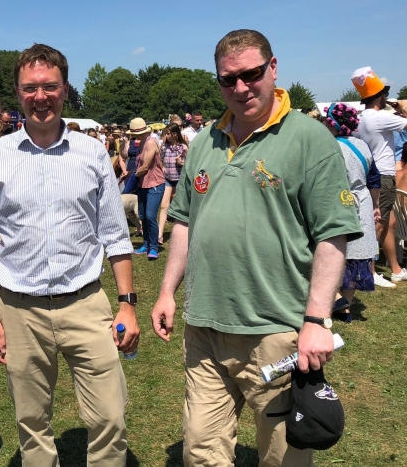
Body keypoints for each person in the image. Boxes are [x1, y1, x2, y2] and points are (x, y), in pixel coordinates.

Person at [151, 29, 362, 467]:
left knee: (282, 456)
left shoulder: (310, 138)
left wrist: (316, 319)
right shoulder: (205, 140)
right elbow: (185, 222)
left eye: (251, 74)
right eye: (229, 79)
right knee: (202, 452)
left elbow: (333, 234)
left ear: (273, 68)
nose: (241, 87)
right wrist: (167, 291)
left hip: (278, 330)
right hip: (205, 326)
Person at [0, 44, 139, 466]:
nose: (40, 97)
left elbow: (115, 235)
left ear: (65, 90)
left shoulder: (92, 152)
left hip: (86, 303)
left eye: (49, 87)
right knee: (31, 424)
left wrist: (127, 304)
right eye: (30, 88)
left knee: (110, 419)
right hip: (20, 309)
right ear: (17, 93)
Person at [354, 67, 407, 285]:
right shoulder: (380, 117)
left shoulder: (360, 117)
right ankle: (370, 271)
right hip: (383, 175)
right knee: (379, 223)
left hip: (368, 173)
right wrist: (406, 107)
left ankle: (395, 268)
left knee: (389, 222)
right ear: (380, 96)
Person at [322, 103, 382, 321]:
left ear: (331, 123)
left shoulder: (327, 145)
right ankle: (346, 306)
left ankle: (336, 299)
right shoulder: (362, 145)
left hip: (335, 199)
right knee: (356, 253)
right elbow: (374, 177)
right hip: (362, 199)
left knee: (333, 249)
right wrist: (375, 205)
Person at [127, 117, 165, 261]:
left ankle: (154, 248)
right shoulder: (140, 143)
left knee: (150, 215)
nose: (132, 136)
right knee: (142, 216)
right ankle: (146, 244)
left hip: (155, 183)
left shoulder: (150, 142)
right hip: (143, 184)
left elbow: (145, 166)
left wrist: (132, 178)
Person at [157, 123, 186, 245]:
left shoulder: (183, 147)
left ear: (175, 134)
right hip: (168, 178)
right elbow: (161, 159)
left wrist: (181, 163)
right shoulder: (165, 147)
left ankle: (182, 233)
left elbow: (189, 165)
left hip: (180, 178)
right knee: (164, 205)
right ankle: (159, 234)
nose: (166, 136)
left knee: (181, 207)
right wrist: (162, 167)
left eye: (168, 133)